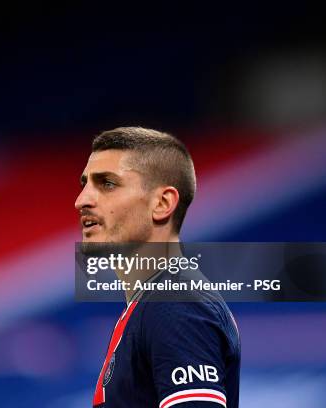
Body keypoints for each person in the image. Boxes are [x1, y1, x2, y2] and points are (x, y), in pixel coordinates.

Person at [75, 127, 240, 408]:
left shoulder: (176, 304)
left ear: (162, 204)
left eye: (107, 184)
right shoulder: (154, 303)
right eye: (84, 184)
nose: (82, 200)